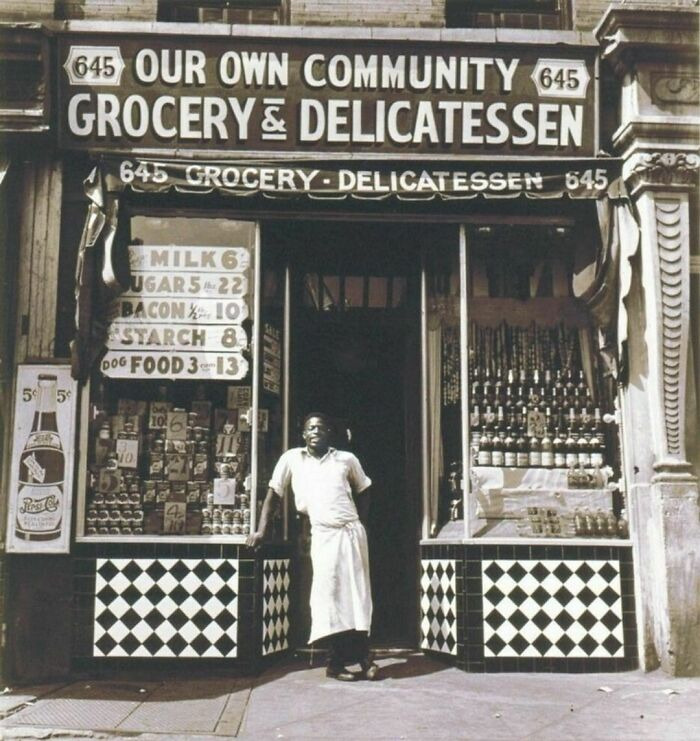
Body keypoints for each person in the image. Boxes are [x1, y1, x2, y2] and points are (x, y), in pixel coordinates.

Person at [246, 413, 379, 681]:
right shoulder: (292, 459)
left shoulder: (346, 459)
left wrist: (361, 523)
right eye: (310, 428)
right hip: (323, 535)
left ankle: (365, 659)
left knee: (357, 595)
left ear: (329, 432)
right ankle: (335, 662)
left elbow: (365, 490)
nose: (315, 431)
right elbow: (273, 495)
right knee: (329, 597)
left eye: (320, 427)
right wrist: (261, 530)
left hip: (351, 534)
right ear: (303, 434)